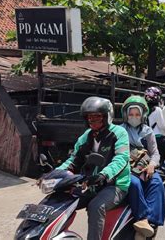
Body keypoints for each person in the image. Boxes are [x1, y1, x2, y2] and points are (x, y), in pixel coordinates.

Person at [56, 97, 130, 240]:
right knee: (61, 200)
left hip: (115, 185)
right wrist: (56, 173)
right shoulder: (86, 136)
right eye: (90, 117)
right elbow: (73, 160)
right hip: (89, 184)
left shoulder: (119, 133)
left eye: (97, 116)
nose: (93, 120)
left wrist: (104, 174)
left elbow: (121, 158)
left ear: (107, 116)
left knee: (95, 206)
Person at [120, 95, 165, 239]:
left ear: (143, 115)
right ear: (126, 115)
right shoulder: (119, 131)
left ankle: (151, 225)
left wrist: (152, 165)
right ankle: (143, 219)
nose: (134, 117)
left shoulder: (147, 131)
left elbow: (155, 153)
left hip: (144, 165)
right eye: (131, 114)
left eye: (137, 114)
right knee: (134, 183)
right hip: (125, 166)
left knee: (157, 182)